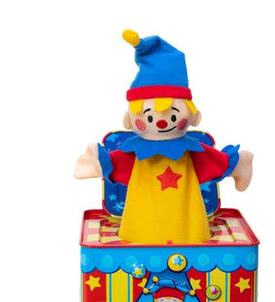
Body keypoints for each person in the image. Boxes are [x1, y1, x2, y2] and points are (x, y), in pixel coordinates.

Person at [74, 30, 253, 244]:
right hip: (140, 228)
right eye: (149, 116)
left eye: (173, 114)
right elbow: (115, 164)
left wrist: (237, 164)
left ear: (192, 115)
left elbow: (214, 161)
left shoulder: (190, 150)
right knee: (143, 228)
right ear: (130, 119)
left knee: (186, 225)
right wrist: (97, 162)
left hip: (187, 227)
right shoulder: (135, 151)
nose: (160, 122)